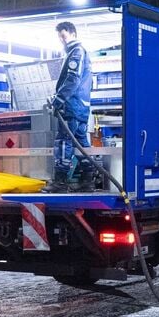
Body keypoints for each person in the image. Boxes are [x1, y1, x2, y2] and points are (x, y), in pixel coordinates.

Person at [42, 21, 94, 193]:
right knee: (81, 143)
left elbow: (72, 79)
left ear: (73, 33)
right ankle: (88, 179)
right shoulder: (80, 52)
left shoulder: (76, 52)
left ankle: (60, 182)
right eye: (60, 37)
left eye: (63, 36)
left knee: (64, 142)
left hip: (72, 107)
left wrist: (58, 100)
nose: (62, 40)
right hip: (81, 107)